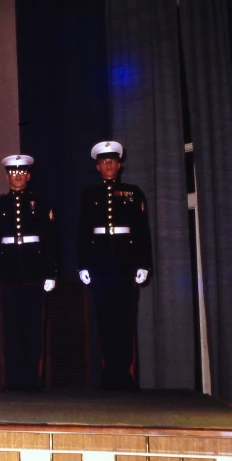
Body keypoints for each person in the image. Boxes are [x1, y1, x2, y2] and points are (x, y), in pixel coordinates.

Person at [77, 141, 151, 391]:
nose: (108, 165)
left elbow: (141, 231)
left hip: (126, 264)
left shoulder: (133, 192)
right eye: (103, 162)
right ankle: (109, 374)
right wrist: (83, 265)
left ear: (119, 165)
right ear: (98, 167)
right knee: (104, 320)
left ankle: (125, 376)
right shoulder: (89, 195)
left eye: (112, 161)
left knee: (125, 321)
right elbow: (83, 232)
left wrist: (143, 263)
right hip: (100, 265)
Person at [0, 155, 57, 392]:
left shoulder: (42, 202)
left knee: (34, 328)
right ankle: (14, 380)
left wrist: (50, 273)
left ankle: (32, 379)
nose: (17, 176)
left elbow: (49, 240)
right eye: (13, 173)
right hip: (8, 273)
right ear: (7, 176)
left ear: (29, 175)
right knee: (12, 328)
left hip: (35, 272)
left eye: (22, 172)